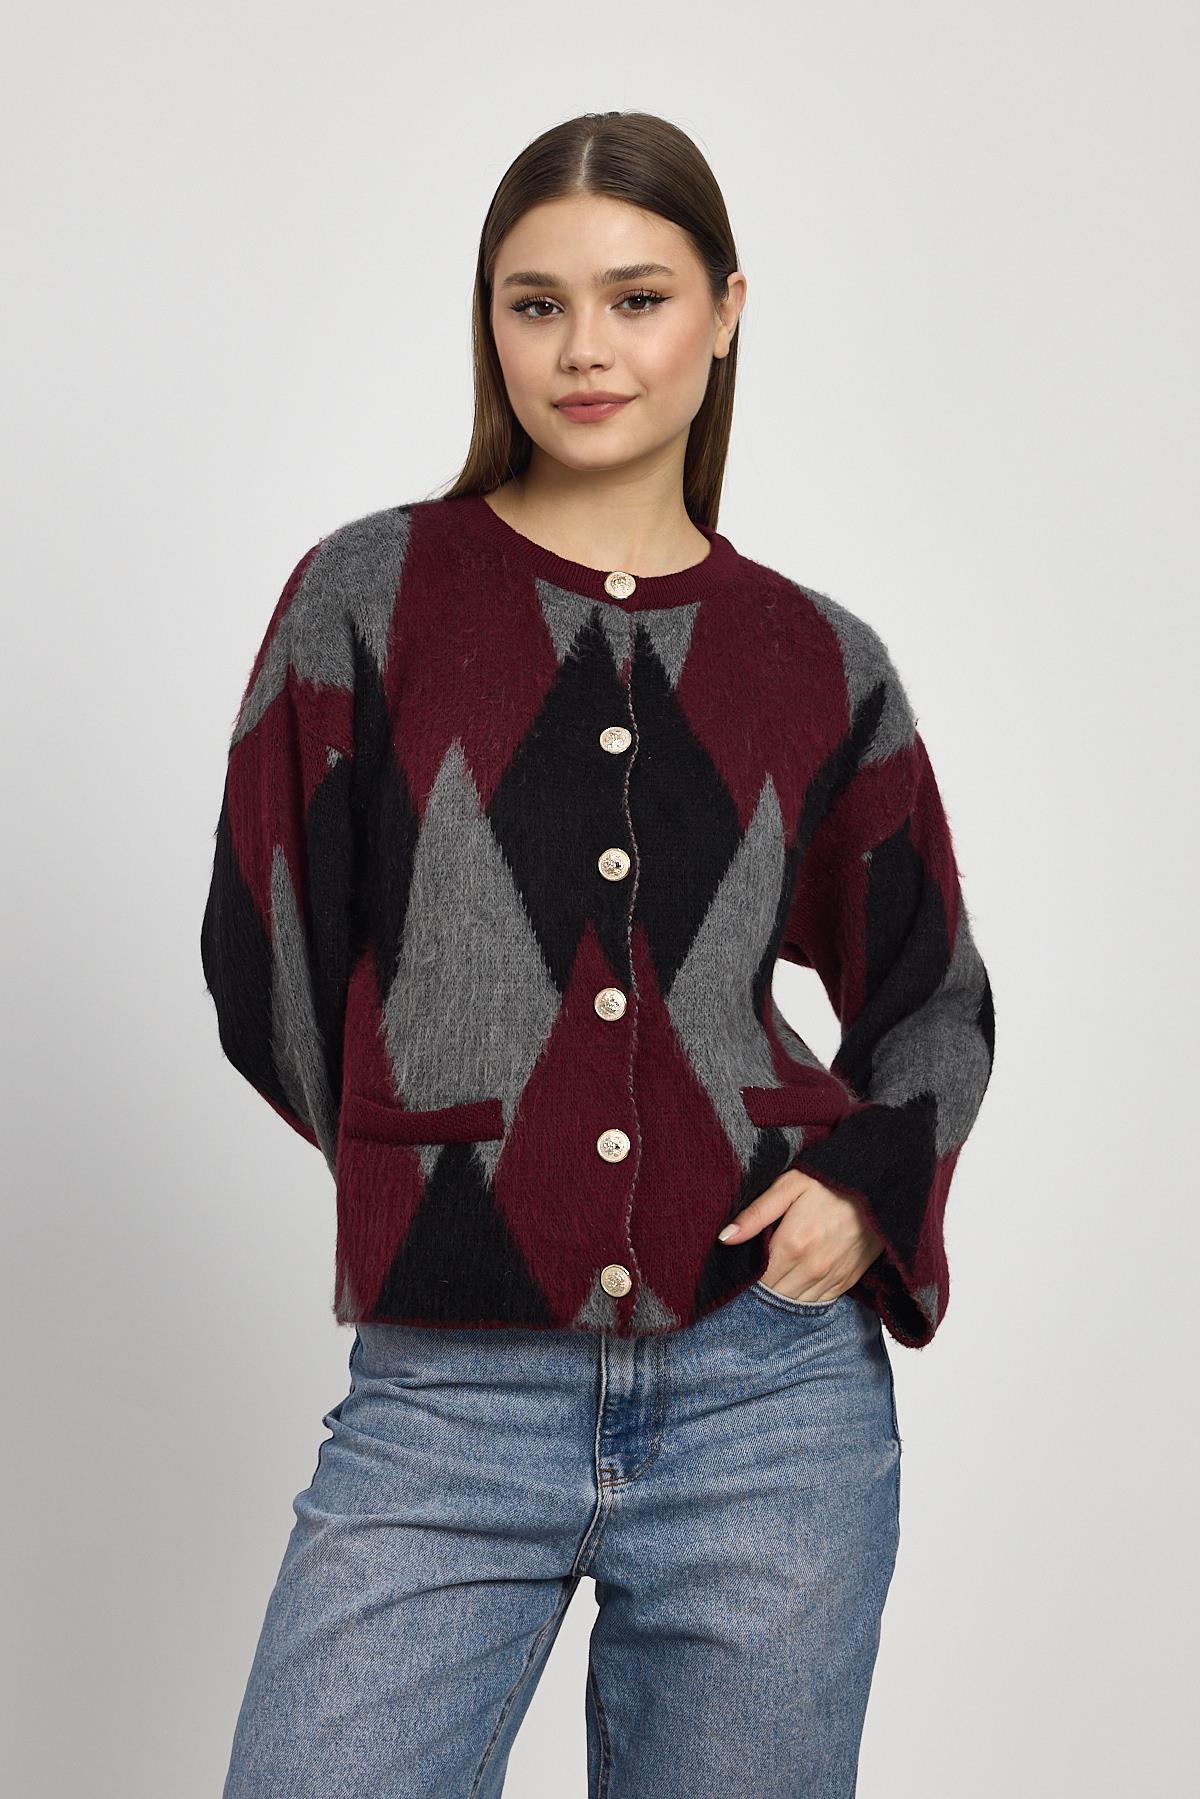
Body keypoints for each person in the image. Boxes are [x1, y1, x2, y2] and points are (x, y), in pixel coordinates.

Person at [203, 109, 995, 1799]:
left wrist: (865, 1190)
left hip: (770, 1397)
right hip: (445, 1398)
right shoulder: (372, 598)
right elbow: (263, 953)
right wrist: (445, 1176)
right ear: (488, 323)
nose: (585, 349)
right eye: (536, 303)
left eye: (637, 298)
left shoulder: (817, 659)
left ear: (726, 312)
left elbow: (932, 995)